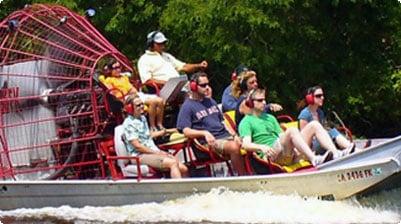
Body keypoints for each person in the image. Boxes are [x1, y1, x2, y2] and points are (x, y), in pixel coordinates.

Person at [238, 88, 348, 167]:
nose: (264, 102)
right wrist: (262, 147)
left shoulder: (270, 118)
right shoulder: (246, 121)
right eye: (260, 100)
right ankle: (314, 159)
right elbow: (245, 144)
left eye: (264, 99)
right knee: (292, 130)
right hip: (270, 155)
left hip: (286, 151)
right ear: (251, 103)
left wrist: (295, 147)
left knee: (314, 125)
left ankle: (336, 154)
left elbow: (281, 136)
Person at [176, 72, 246, 176]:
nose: (207, 88)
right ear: (193, 86)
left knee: (248, 144)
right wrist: (204, 133)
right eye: (203, 85)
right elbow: (186, 131)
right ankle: (243, 178)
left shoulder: (211, 101)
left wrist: (235, 135)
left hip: (226, 136)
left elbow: (223, 122)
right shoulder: (187, 106)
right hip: (209, 142)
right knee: (234, 147)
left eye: (208, 84)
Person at [122, 95, 188, 178]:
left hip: (152, 151)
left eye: (142, 104)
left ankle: (188, 189)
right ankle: (179, 190)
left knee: (184, 169)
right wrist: (157, 153)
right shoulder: (129, 124)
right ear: (130, 108)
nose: (142, 106)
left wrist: (166, 131)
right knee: (172, 163)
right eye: (138, 105)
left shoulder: (142, 118)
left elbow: (147, 136)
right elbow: (137, 146)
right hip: (140, 155)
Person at [99, 58, 166, 131]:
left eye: (119, 67)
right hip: (126, 98)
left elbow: (133, 90)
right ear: (110, 70)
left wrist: (129, 91)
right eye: (115, 68)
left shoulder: (123, 77)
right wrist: (128, 91)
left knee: (160, 100)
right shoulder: (109, 80)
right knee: (154, 102)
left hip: (135, 95)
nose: (118, 70)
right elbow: (115, 94)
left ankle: (160, 124)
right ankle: (153, 127)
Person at [137, 31, 208, 87]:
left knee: (203, 88)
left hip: (178, 86)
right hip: (162, 90)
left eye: (164, 43)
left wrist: (199, 65)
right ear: (151, 44)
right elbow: (147, 81)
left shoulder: (167, 56)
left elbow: (184, 67)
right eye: (159, 43)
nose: (162, 45)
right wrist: (168, 84)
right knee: (191, 94)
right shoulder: (144, 59)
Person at [298, 86, 356, 154]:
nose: (322, 98)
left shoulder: (320, 112)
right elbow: (304, 138)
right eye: (318, 96)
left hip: (321, 142)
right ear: (310, 98)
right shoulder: (304, 114)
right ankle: (346, 150)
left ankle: (351, 149)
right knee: (331, 132)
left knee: (332, 131)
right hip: (310, 147)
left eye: (322, 95)